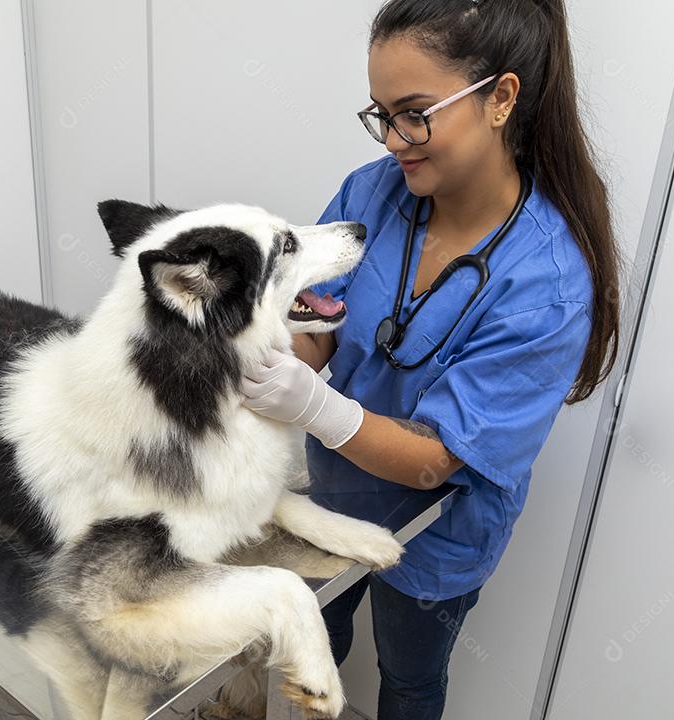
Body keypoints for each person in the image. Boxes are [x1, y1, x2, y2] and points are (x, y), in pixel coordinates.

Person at [240, 0, 621, 718]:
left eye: (413, 113)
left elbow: (433, 462)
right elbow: (325, 319)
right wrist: (263, 359)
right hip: (336, 495)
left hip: (437, 538)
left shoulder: (547, 285)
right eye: (380, 114)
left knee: (409, 677)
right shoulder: (373, 191)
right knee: (316, 636)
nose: (392, 141)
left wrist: (313, 406)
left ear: (501, 98)